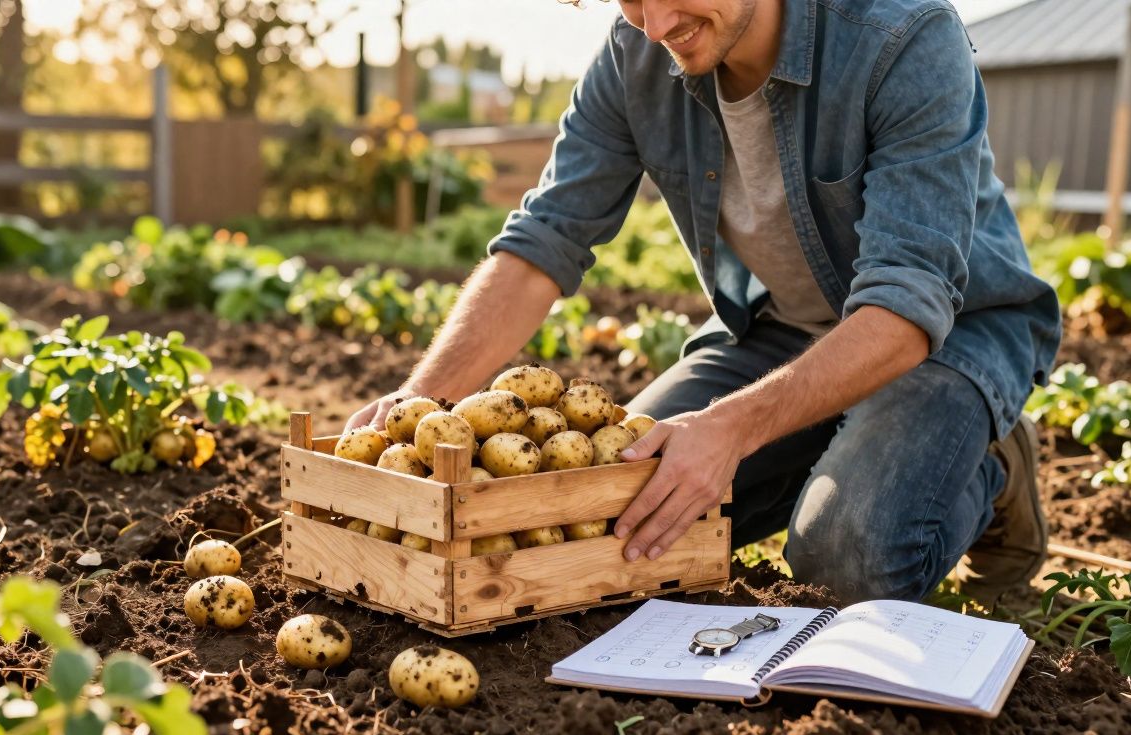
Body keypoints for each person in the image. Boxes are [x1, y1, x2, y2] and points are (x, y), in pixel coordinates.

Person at [346, 0, 1061, 605]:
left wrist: (730, 429)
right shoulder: (636, 54)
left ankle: (990, 464)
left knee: (847, 560)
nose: (654, 24)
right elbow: (546, 239)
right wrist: (420, 401)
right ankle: (831, 441)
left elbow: (907, 305)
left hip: (944, 338)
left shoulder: (903, 37)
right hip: (783, 330)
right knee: (614, 519)